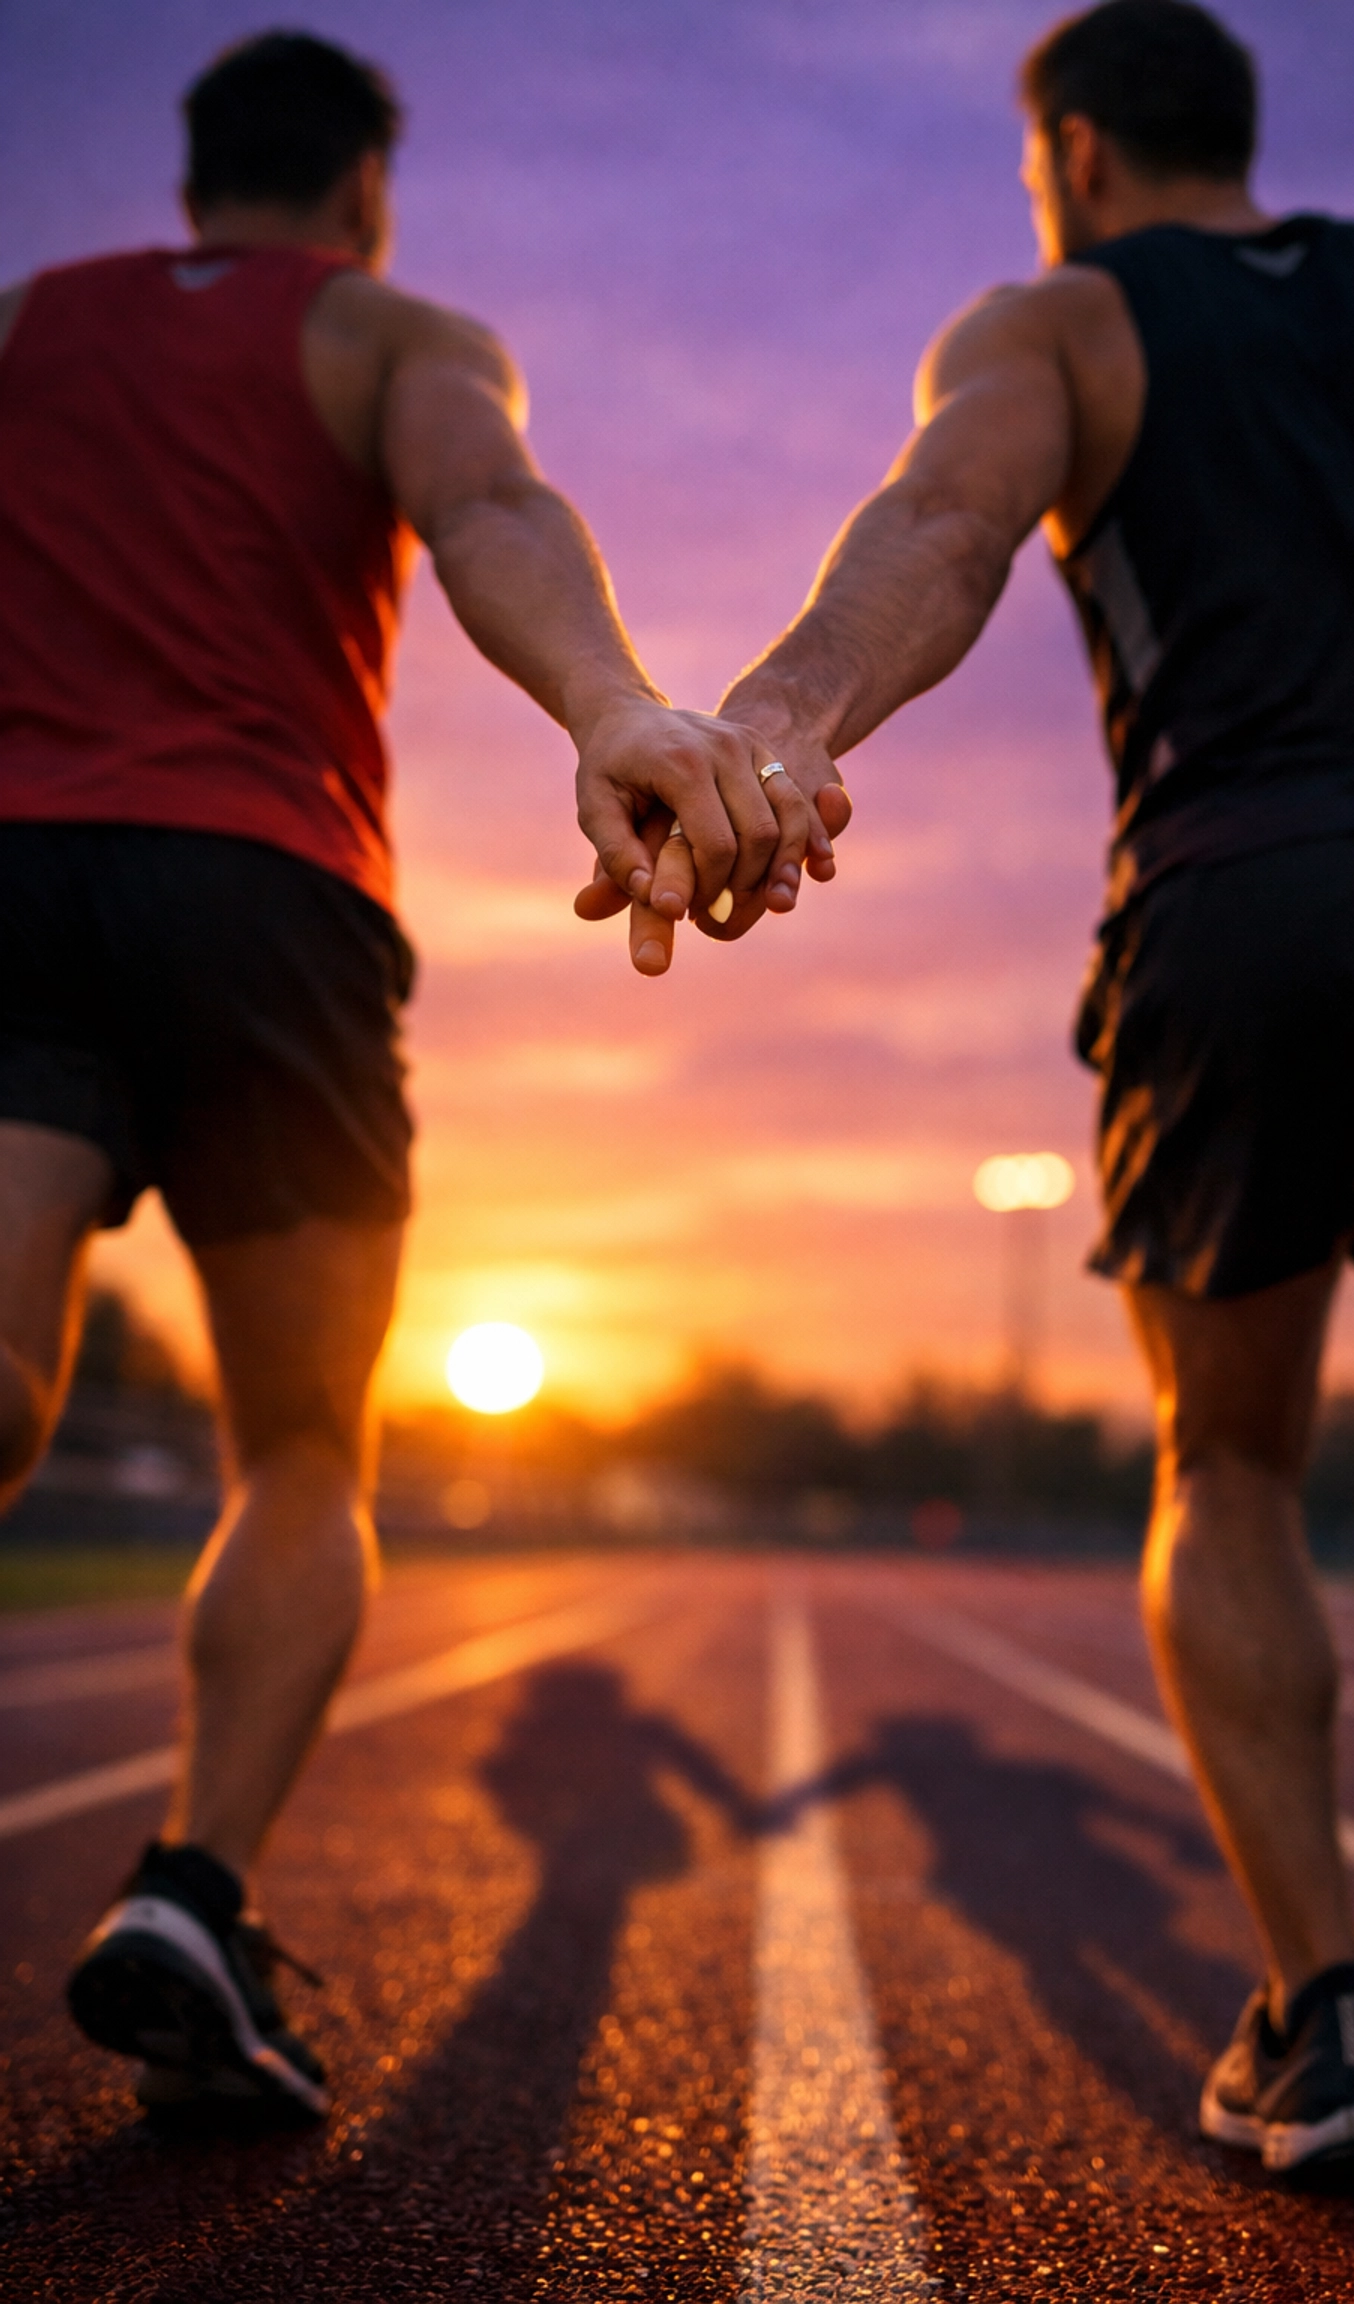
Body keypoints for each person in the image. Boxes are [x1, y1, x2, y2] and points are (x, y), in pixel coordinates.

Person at [619, 0, 1354, 2182]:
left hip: (1242, 896)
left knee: (1225, 1462)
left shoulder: (1062, 321)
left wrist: (773, 727)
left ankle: (1329, 2024)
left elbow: (938, 528)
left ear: (1082, 152)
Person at [0, 30, 821, 2123]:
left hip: (16, 871)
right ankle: (195, 1885)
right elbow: (487, 505)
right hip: (267, 897)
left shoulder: (26, 327)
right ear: (363, 187)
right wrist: (613, 705)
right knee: (298, 1452)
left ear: (188, 184)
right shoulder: (389, 331)